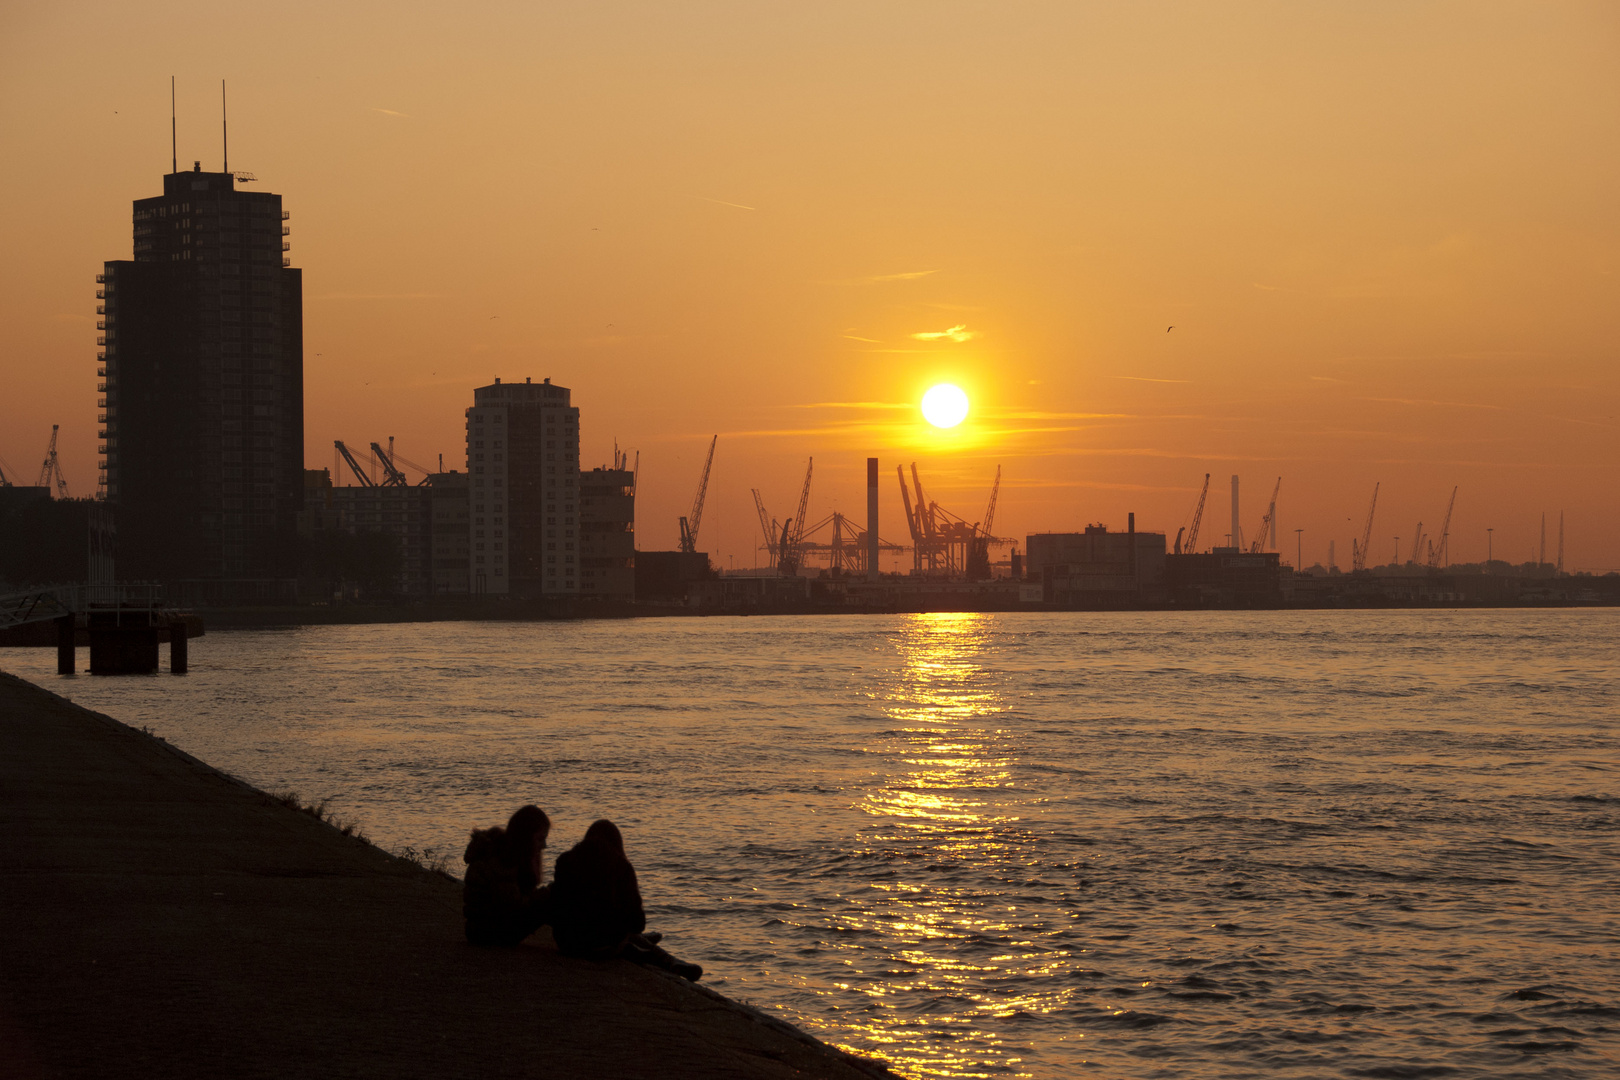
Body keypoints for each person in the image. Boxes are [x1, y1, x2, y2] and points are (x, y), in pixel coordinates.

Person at [550, 819, 702, 980]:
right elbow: (637, 923)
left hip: (567, 943)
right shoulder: (621, 866)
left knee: (620, 938)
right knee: (622, 938)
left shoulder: (565, 861)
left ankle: (657, 952)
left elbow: (557, 904)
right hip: (602, 945)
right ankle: (668, 960)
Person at [462, 804, 552, 947]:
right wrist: (544, 896)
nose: (544, 846)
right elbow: (511, 907)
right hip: (488, 932)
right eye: (540, 839)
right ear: (526, 838)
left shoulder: (508, 854)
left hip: (484, 929)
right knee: (553, 896)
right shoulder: (502, 861)